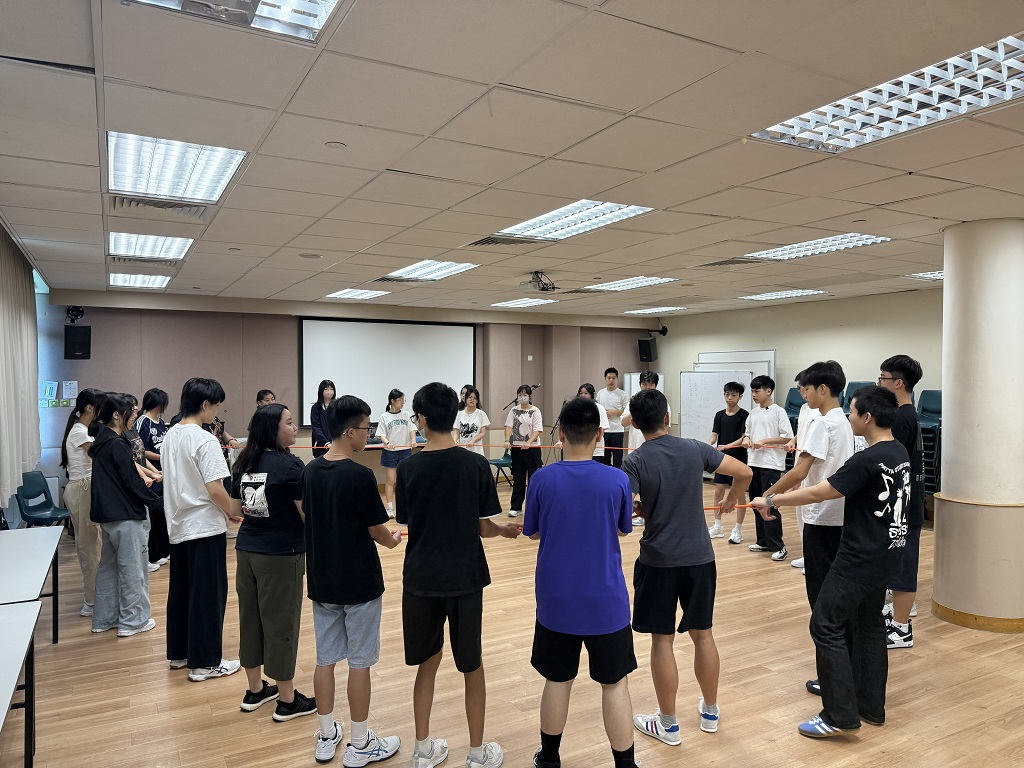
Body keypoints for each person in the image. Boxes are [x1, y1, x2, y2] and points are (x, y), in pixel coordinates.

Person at [750, 386, 910, 737]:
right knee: (869, 625)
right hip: (887, 554)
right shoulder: (897, 450)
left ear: (867, 417)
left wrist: (772, 499)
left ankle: (839, 715)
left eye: (853, 412)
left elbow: (822, 491)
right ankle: (870, 706)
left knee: (824, 624)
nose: (849, 417)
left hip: (860, 559)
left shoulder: (867, 458)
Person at [396, 382, 520, 768]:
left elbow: (409, 523)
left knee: (427, 662)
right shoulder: (475, 465)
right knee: (471, 664)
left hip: (421, 578)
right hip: (465, 577)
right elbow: (483, 527)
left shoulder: (408, 468)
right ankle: (478, 753)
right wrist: (504, 531)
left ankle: (422, 749)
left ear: (422, 419)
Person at [623, 389, 752, 744]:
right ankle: (710, 711)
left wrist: (640, 508)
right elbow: (744, 472)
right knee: (703, 635)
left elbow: (624, 509)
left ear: (635, 425)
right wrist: (731, 499)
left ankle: (668, 724)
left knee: (662, 641)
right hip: (699, 559)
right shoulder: (695, 448)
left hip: (658, 561)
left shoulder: (635, 461)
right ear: (667, 418)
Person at [523, 398, 640, 768]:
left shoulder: (541, 479)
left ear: (560, 433)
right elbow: (624, 529)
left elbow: (532, 532)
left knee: (557, 680)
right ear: (600, 434)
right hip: (607, 600)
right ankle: (625, 764)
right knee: (615, 683)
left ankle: (549, 759)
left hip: (556, 600)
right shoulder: (617, 479)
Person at [303, 395, 403, 764]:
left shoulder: (311, 472)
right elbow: (378, 530)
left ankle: (326, 735)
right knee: (359, 662)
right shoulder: (360, 476)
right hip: (360, 582)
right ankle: (360, 744)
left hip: (323, 580)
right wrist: (392, 540)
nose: (368, 434)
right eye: (366, 428)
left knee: (326, 659)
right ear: (349, 432)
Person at [759, 361, 854, 696]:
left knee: (822, 604)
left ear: (823, 389)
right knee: (835, 601)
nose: (804, 395)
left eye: (808, 389)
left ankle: (833, 679)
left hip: (822, 519)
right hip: (839, 518)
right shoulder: (844, 421)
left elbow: (799, 472)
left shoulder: (822, 423)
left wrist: (768, 497)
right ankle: (842, 672)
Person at [230, 403, 317, 723]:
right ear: (273, 429)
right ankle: (287, 700)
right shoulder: (291, 466)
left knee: (250, 619)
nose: (295, 428)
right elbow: (307, 516)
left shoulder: (244, 462)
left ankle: (255, 690)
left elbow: (235, 510)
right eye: (290, 423)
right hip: (281, 555)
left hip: (246, 552)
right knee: (281, 624)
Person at [161, 377, 243, 681]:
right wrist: (234, 511)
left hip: (179, 524)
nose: (217, 412)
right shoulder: (205, 439)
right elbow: (215, 489)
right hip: (204, 527)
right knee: (208, 595)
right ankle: (205, 663)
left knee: (181, 592)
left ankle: (180, 654)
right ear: (205, 404)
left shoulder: (171, 435)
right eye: (217, 405)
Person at [88, 392, 161, 637]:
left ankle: (104, 619)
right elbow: (131, 482)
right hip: (125, 515)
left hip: (108, 516)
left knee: (108, 569)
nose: (135, 417)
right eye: (132, 413)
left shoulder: (103, 441)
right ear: (117, 415)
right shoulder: (117, 444)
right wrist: (158, 502)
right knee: (133, 569)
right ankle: (133, 621)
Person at [877, 355, 926, 649]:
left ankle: (901, 629)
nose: (879, 383)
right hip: (902, 504)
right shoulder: (906, 414)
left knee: (905, 567)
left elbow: (893, 465)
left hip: (903, 506)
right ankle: (897, 617)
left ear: (897, 383)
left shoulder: (902, 417)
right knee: (896, 565)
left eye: (882, 378)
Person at [60, 387, 104, 618]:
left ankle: (97, 597)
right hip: (81, 491)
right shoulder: (79, 432)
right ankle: (91, 602)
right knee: (89, 549)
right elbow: (101, 455)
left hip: (85, 489)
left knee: (95, 545)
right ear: (89, 408)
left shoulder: (84, 430)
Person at [740, 376, 793, 561]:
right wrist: (747, 439)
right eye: (752, 391)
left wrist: (765, 441)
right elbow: (746, 434)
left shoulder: (779, 412)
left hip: (771, 464)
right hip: (754, 463)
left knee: (770, 504)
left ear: (768, 391)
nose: (754, 395)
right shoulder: (753, 413)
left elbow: (787, 437)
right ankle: (762, 541)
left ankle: (778, 546)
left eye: (757, 391)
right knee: (756, 503)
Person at [621, 372, 668, 526]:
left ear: (656, 385)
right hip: (635, 450)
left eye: (651, 384)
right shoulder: (633, 402)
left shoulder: (662, 402)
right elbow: (623, 423)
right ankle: (634, 513)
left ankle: (651, 514)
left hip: (655, 450)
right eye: (644, 384)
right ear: (640, 385)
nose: (647, 387)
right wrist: (635, 409)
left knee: (652, 483)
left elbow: (666, 427)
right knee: (633, 483)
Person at [707, 382, 749, 544]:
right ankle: (718, 526)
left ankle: (738, 529)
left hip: (738, 459)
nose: (730, 398)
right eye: (727, 394)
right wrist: (709, 444)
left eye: (733, 395)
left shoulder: (744, 415)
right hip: (722, 459)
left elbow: (744, 437)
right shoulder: (719, 415)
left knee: (738, 494)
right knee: (718, 491)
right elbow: (714, 434)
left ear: (740, 397)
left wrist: (728, 446)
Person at [137, 388, 171, 571]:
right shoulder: (143, 422)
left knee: (161, 516)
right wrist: (162, 458)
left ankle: (163, 551)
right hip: (151, 473)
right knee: (151, 517)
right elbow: (140, 451)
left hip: (162, 473)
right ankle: (152, 554)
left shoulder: (161, 423)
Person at [376, 388, 417, 518]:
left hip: (405, 450)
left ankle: (406, 506)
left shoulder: (406, 414)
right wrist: (387, 443)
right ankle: (389, 508)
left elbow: (412, 429)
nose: (402, 402)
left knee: (405, 480)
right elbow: (381, 434)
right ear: (392, 401)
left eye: (403, 400)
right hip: (390, 452)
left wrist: (413, 440)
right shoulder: (384, 417)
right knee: (390, 480)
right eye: (400, 400)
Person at [504, 384, 543, 517]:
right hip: (517, 448)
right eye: (520, 395)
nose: (522, 397)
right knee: (518, 478)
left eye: (524, 395)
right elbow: (508, 426)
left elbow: (537, 429)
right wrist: (507, 440)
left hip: (533, 449)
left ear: (530, 396)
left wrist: (529, 442)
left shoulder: (535, 411)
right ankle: (516, 507)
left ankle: (533, 508)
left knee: (534, 479)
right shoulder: (514, 410)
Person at [553, 383, 609, 461]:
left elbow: (603, 427)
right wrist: (560, 441)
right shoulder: (574, 409)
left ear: (592, 394)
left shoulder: (599, 408)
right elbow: (567, 427)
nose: (583, 395)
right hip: (575, 450)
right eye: (581, 393)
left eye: (586, 393)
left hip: (596, 451)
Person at [596, 368, 629, 469]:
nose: (611, 381)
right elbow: (596, 409)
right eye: (609, 378)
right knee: (605, 458)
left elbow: (627, 411)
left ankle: (617, 476)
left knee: (617, 458)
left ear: (617, 379)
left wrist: (614, 412)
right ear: (605, 379)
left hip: (618, 430)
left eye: (614, 378)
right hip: (604, 430)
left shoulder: (623, 394)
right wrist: (604, 413)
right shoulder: (600, 393)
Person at [454, 386, 490, 455]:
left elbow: (482, 433)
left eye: (475, 398)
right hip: (463, 450)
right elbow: (456, 432)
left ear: (477, 400)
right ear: (465, 399)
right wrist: (455, 441)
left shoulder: (481, 414)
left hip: (477, 451)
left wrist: (473, 440)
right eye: (470, 397)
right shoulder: (459, 414)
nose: (472, 400)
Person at [310, 379, 336, 458]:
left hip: (335, 444)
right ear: (321, 391)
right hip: (321, 444)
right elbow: (316, 427)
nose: (329, 392)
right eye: (326, 389)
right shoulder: (316, 408)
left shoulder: (337, 407)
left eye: (331, 389)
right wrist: (326, 442)